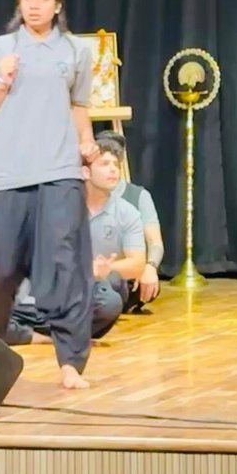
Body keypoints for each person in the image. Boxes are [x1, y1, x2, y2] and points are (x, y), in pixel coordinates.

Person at [0, 0, 98, 390]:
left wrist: (86, 143)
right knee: (4, 268)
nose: (35, 5)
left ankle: (71, 361)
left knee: (63, 263)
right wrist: (3, 81)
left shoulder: (76, 51)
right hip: (7, 174)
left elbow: (79, 106)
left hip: (59, 172)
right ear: (19, 3)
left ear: (57, 5)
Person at [85, 136, 147, 337]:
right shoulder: (66, 209)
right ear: (86, 172)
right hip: (72, 278)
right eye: (105, 164)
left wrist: (103, 269)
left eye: (116, 165)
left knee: (113, 283)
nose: (113, 170)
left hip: (107, 281)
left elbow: (137, 263)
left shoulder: (128, 212)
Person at [106, 130, 163, 307]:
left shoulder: (138, 196)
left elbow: (155, 242)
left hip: (127, 274)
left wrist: (150, 267)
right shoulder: (84, 194)